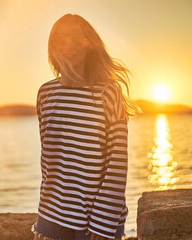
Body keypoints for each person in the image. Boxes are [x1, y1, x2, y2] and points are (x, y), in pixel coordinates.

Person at [31, 14, 142, 240]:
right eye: (61, 38)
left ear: (90, 44)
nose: (69, 45)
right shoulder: (46, 94)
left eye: (76, 38)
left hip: (97, 220)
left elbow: (117, 163)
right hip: (52, 216)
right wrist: (46, 220)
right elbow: (51, 163)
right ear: (52, 46)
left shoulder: (108, 93)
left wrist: (103, 224)